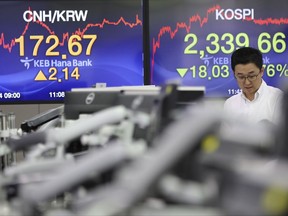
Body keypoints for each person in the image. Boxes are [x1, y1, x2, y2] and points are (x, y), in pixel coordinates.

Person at [224, 47, 283, 126]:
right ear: (234, 74)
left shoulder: (277, 98)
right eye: (241, 77)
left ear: (261, 71)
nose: (247, 82)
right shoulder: (230, 104)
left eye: (251, 76)